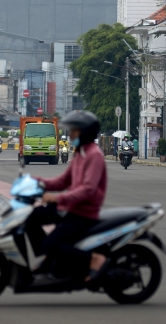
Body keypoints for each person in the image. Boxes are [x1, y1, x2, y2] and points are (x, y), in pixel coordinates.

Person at [26, 111, 109, 281]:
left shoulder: (94, 155)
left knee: (49, 243)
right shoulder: (80, 152)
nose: (70, 135)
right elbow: (64, 181)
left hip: (83, 212)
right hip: (70, 207)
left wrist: (57, 198)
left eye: (74, 131)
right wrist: (37, 182)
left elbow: (87, 189)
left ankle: (93, 259)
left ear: (84, 132)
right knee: (30, 217)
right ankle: (51, 255)